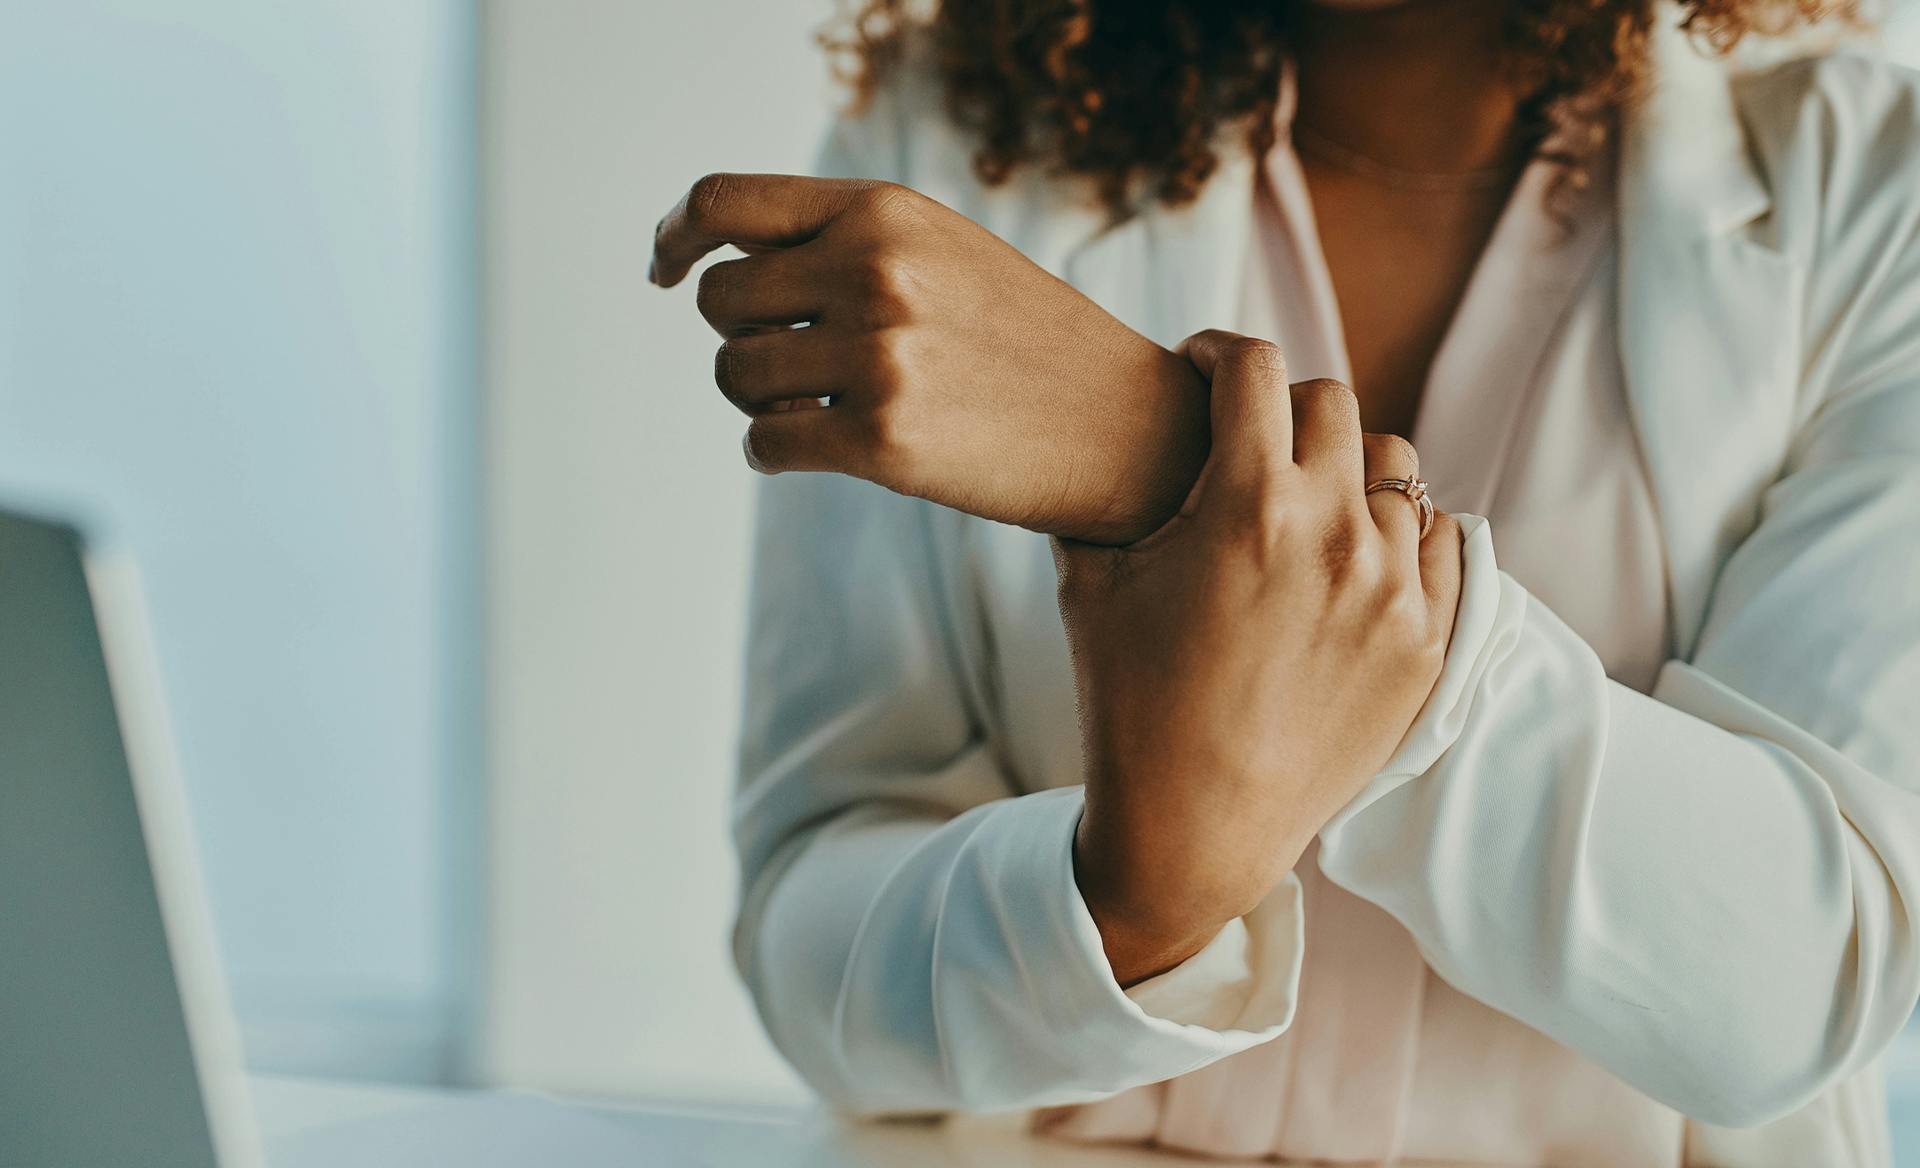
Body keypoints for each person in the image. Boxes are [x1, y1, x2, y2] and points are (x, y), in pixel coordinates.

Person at [649, 0, 1920, 1162]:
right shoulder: (955, 129)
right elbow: (809, 926)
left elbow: (1807, 979)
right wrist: (1123, 910)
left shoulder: (1874, 188)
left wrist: (1156, 461)